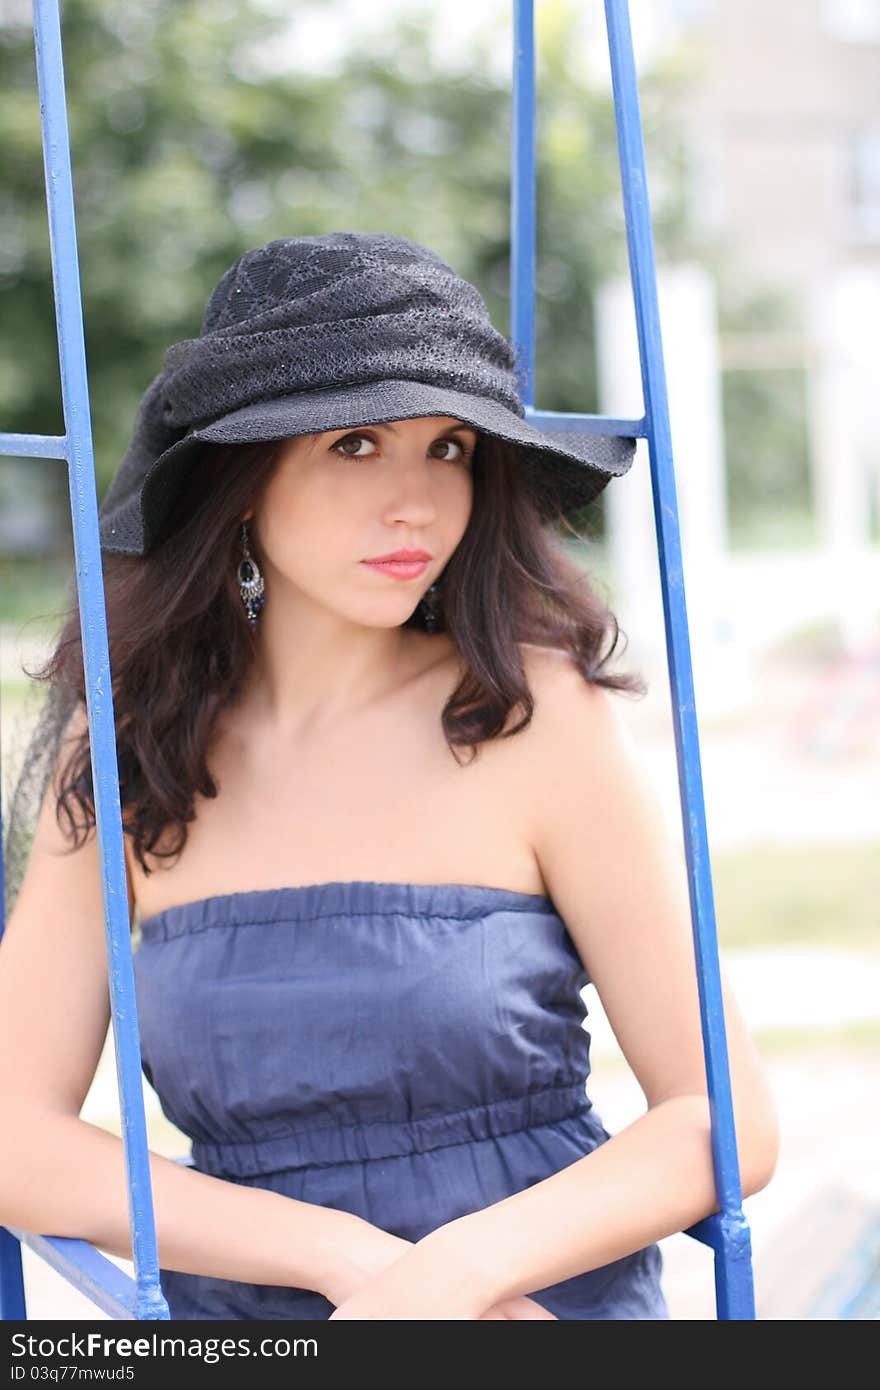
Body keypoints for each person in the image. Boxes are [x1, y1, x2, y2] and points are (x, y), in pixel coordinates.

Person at [0, 232, 779, 1321]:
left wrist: (461, 1277)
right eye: (356, 444)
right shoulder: (131, 746)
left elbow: (721, 1115)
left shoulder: (536, 715)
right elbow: (13, 1133)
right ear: (235, 481)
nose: (416, 502)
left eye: (449, 448)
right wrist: (352, 1262)